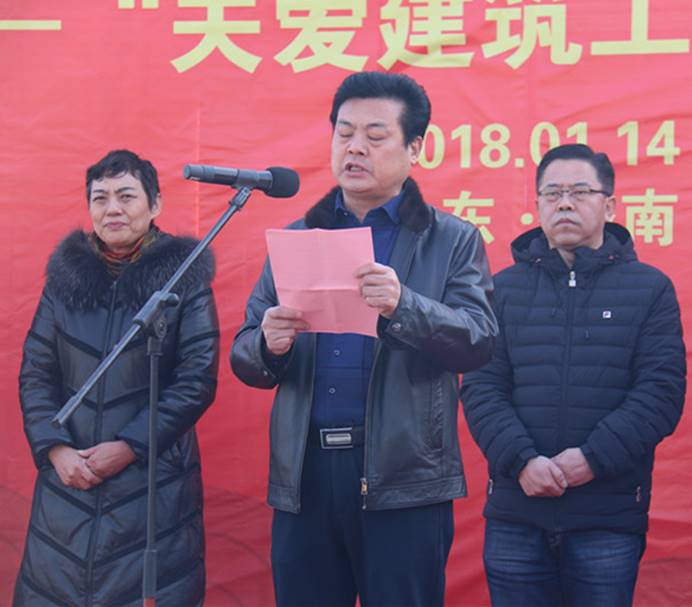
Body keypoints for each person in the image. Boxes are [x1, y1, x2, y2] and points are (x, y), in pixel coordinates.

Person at [231, 71, 497, 606]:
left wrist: (405, 305)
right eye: (344, 133)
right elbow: (245, 355)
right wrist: (268, 344)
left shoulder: (451, 240)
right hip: (305, 477)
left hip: (402, 479)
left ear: (414, 148)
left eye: (375, 136)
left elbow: (478, 340)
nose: (355, 148)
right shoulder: (299, 237)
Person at [460, 143, 686, 607]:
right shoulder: (502, 289)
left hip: (606, 514)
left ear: (610, 206)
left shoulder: (650, 289)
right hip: (517, 511)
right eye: (552, 193)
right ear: (538, 204)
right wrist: (522, 461)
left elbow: (660, 393)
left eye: (580, 192)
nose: (564, 203)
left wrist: (592, 458)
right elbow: (482, 387)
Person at [14, 150, 219, 606]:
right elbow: (36, 373)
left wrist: (129, 446)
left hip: (152, 485)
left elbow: (196, 380)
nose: (113, 209)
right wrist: (55, 449)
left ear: (155, 204)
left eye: (126, 196)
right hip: (68, 484)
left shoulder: (183, 278)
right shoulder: (63, 280)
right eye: (100, 198)